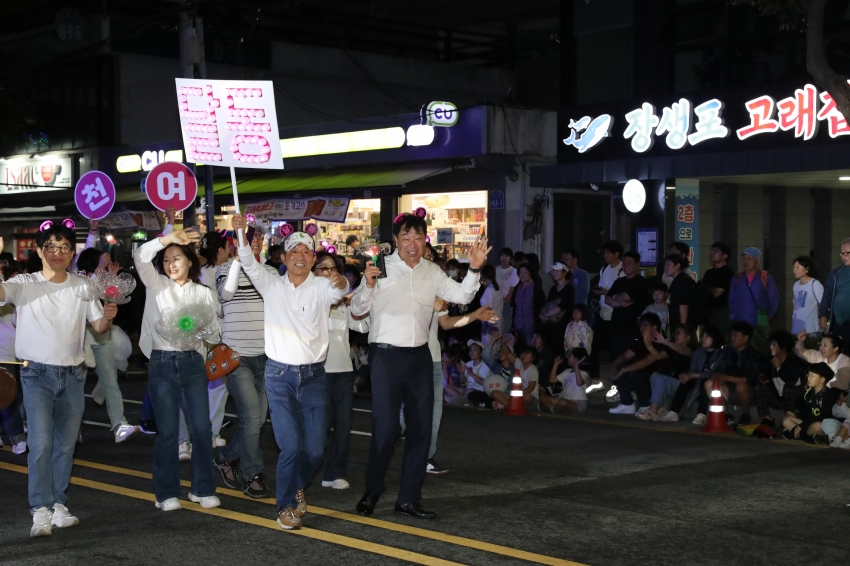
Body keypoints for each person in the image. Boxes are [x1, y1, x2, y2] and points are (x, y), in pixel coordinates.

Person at [350, 211, 489, 519]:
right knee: (385, 430)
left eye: (417, 238)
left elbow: (462, 294)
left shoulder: (432, 271)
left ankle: (409, 498)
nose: (412, 244)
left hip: (421, 358)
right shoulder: (380, 267)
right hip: (386, 356)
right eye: (406, 238)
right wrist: (368, 286)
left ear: (425, 242)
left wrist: (475, 267)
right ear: (396, 241)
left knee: (420, 430)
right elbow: (357, 312)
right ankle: (373, 489)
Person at [231, 214, 348, 530]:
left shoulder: (322, 286)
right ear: (283, 257)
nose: (299, 256)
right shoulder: (270, 284)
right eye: (293, 251)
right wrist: (239, 232)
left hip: (313, 377)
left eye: (306, 252)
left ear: (313, 259)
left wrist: (342, 282)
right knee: (291, 447)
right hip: (279, 377)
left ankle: (296, 483)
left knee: (313, 451)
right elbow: (247, 259)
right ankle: (285, 507)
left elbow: (340, 289)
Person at [0, 221, 117, 537]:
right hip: (36, 374)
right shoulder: (24, 283)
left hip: (74, 375)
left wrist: (107, 317)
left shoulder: (81, 286)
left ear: (72, 252)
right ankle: (39, 509)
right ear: (39, 250)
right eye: (50, 246)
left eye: (64, 247)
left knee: (65, 445)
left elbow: (99, 328)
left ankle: (58, 505)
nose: (58, 252)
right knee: (40, 443)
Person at [134, 229, 222, 513]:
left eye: (177, 258)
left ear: (190, 262)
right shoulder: (156, 285)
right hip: (161, 362)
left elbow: (215, 332)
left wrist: (199, 328)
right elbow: (140, 256)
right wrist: (167, 239)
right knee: (169, 432)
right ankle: (166, 492)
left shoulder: (204, 293)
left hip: (193, 363)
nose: (172, 264)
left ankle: (203, 488)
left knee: (201, 428)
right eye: (168, 259)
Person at [211, 232, 281, 499]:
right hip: (236, 357)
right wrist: (241, 260)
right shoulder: (225, 270)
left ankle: (226, 456)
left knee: (256, 420)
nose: (254, 246)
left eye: (257, 243)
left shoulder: (271, 273)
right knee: (252, 417)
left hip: (267, 356)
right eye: (247, 242)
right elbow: (226, 294)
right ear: (234, 245)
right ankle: (253, 475)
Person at [311, 252, 369, 491]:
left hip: (344, 370)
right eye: (323, 268)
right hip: (318, 371)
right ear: (313, 273)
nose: (329, 273)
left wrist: (365, 292)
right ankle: (310, 468)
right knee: (319, 427)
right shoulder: (309, 299)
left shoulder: (344, 301)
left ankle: (334, 472)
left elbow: (361, 325)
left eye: (333, 268)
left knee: (343, 425)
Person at [75, 248, 138, 443]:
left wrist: (111, 277)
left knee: (110, 381)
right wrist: (103, 271)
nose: (107, 259)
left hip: (101, 338)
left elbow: (112, 300)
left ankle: (119, 424)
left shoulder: (100, 279)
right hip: (80, 340)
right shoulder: (78, 280)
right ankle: (73, 429)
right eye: (102, 258)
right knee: (75, 386)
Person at [704, 322, 764, 426]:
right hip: (730, 391)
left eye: (736, 335)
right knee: (709, 383)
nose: (732, 337)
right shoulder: (727, 352)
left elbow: (752, 378)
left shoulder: (754, 354)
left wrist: (728, 378)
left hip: (750, 394)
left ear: (745, 338)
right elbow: (715, 370)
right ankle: (726, 414)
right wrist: (716, 376)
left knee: (741, 386)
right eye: (731, 334)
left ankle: (745, 415)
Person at [607, 313, 668, 415]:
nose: (641, 328)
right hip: (646, 377)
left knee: (633, 372)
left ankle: (645, 405)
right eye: (641, 325)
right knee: (624, 368)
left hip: (658, 380)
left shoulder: (662, 342)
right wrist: (614, 368)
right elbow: (625, 356)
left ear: (654, 327)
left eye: (645, 325)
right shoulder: (641, 341)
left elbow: (645, 362)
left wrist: (624, 370)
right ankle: (627, 404)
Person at [664, 326, 725, 425]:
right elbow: (692, 370)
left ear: (715, 338)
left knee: (704, 383)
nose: (703, 339)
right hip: (696, 379)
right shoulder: (698, 352)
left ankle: (701, 414)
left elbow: (715, 373)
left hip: (711, 381)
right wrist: (686, 375)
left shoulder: (721, 354)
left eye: (707, 337)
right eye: (703, 336)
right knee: (686, 381)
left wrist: (693, 375)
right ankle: (674, 412)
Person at [637, 325, 696, 421]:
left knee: (662, 379)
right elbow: (658, 355)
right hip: (672, 382)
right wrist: (647, 344)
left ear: (688, 337)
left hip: (683, 385)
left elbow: (682, 350)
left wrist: (665, 341)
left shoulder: (691, 349)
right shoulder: (672, 348)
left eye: (678, 333)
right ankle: (662, 408)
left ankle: (653, 409)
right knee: (654, 376)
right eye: (675, 333)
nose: (675, 335)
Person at [727, 247, 780, 354]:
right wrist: (733, 316)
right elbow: (731, 300)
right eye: (744, 259)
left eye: (750, 259)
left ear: (757, 261)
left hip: (759, 322)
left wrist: (769, 315)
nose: (745, 261)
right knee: (740, 351)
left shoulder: (765, 277)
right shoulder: (737, 278)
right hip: (740, 323)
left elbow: (775, 298)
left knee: (760, 350)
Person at [591, 241, 625, 397]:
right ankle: (595, 380)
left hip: (615, 315)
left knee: (614, 352)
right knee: (593, 346)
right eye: (604, 253)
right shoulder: (604, 268)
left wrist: (606, 292)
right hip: (602, 313)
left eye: (608, 253)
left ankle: (617, 385)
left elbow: (621, 292)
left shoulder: (621, 270)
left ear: (616, 254)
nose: (605, 256)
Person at [753, 330, 806, 428]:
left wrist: (778, 367)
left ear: (783, 347)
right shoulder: (770, 360)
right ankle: (767, 418)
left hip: (794, 399)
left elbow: (791, 380)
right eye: (770, 344)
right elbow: (761, 375)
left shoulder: (793, 360)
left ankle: (787, 418)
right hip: (777, 397)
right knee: (758, 386)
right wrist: (762, 377)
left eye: (774, 344)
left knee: (788, 386)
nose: (771, 347)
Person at [0, 262, 26, 454]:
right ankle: (17, 437)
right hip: (3, 354)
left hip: (15, 353)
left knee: (11, 395)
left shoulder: (20, 296)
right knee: (7, 397)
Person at [605, 251, 649, 360]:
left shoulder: (641, 281)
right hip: (616, 327)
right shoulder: (619, 281)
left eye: (629, 263)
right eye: (624, 263)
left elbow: (625, 296)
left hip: (632, 328)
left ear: (637, 264)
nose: (625, 266)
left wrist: (615, 297)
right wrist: (619, 303)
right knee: (616, 358)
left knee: (631, 360)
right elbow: (607, 299)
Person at [782, 362, 840, 443]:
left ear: (822, 379)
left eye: (812, 375)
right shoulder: (810, 394)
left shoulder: (828, 394)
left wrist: (802, 426)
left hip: (823, 423)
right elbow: (808, 414)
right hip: (809, 423)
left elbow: (824, 417)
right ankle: (811, 438)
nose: (808, 378)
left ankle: (796, 435)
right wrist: (796, 415)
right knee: (786, 419)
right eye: (808, 375)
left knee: (819, 426)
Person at [819, 238, 850, 350]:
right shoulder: (836, 272)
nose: (844, 256)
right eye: (842, 253)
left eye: (847, 253)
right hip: (839, 324)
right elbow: (827, 294)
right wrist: (823, 314)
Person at [539, 348, 589, 414]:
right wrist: (556, 364)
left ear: (575, 359)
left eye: (570, 356)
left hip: (577, 403)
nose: (568, 357)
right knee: (542, 396)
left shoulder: (583, 373)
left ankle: (552, 408)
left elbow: (579, 383)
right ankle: (552, 408)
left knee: (563, 403)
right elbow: (552, 380)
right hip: (563, 399)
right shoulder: (567, 371)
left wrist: (576, 366)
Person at [490, 345, 540, 412]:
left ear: (533, 358)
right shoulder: (519, 363)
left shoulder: (533, 370)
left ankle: (508, 405)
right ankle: (513, 406)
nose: (523, 355)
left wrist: (517, 395)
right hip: (517, 396)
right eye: (523, 353)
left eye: (527, 353)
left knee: (528, 396)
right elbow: (507, 353)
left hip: (530, 399)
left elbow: (531, 387)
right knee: (494, 392)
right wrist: (504, 343)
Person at [540, 262, 574, 356]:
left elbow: (561, 307)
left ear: (564, 272)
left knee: (560, 351)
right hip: (551, 325)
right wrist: (542, 314)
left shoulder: (569, 288)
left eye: (557, 271)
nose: (554, 273)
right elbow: (547, 304)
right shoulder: (553, 289)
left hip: (562, 326)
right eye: (553, 271)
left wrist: (546, 315)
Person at [702, 242, 734, 334]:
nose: (712, 253)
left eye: (716, 251)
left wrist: (706, 288)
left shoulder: (727, 272)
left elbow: (716, 294)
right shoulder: (709, 272)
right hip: (708, 311)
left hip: (721, 311)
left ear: (724, 256)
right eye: (711, 250)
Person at [511, 264, 545, 344]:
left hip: (531, 323)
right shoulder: (517, 288)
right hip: (518, 323)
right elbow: (514, 305)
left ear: (530, 273)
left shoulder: (536, 288)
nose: (522, 275)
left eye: (525, 273)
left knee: (530, 345)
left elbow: (542, 304)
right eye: (520, 273)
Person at [790, 256, 824, 335]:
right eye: (794, 267)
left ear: (807, 269)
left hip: (811, 329)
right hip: (796, 328)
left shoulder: (815, 284)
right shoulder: (796, 285)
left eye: (798, 267)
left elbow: (823, 304)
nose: (795, 270)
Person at [664, 254, 696, 334]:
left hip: (681, 323)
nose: (665, 268)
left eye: (668, 264)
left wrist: (682, 327)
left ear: (677, 265)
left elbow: (684, 306)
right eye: (665, 265)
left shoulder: (681, 281)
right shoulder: (680, 279)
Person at [463, 339, 493, 408]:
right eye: (470, 350)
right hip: (468, 390)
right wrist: (461, 374)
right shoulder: (468, 364)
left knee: (470, 391)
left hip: (480, 391)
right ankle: (463, 400)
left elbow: (485, 383)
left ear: (481, 353)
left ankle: (460, 400)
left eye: (475, 350)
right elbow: (462, 382)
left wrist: (472, 374)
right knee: (448, 387)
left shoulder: (486, 365)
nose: (471, 352)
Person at [496, 247, 519, 334]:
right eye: (502, 255)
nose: (504, 258)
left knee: (505, 328)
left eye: (507, 256)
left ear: (510, 259)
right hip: (495, 302)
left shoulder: (513, 271)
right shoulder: (496, 270)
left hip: (506, 304)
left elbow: (511, 292)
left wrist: (502, 303)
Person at [479, 264, 502, 345]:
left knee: (488, 352)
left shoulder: (489, 291)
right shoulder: (497, 288)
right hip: (497, 323)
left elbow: (488, 310)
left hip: (490, 327)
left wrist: (485, 328)